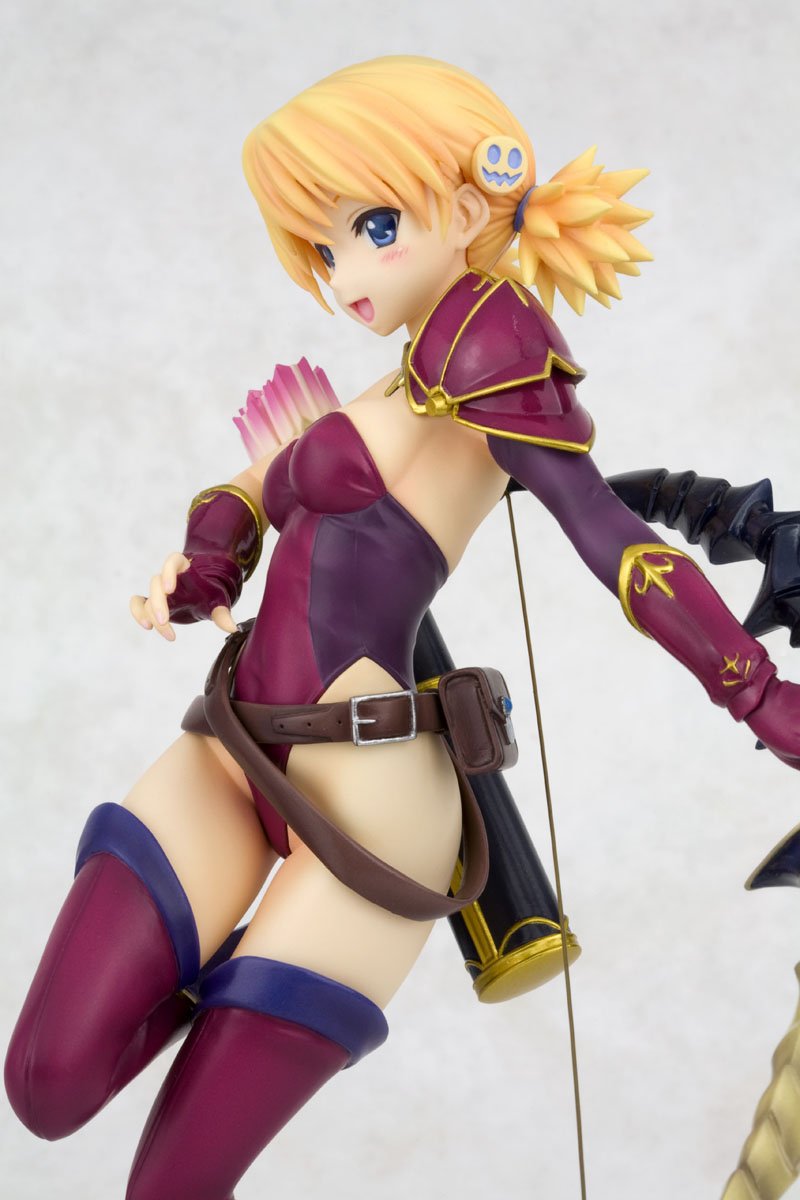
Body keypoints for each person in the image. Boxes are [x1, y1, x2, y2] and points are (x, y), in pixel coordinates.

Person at [6, 55, 800, 1200]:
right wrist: (208, 558)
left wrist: (759, 697)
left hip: (369, 802)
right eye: (321, 248)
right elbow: (249, 487)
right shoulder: (392, 384)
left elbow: (609, 539)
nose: (342, 276)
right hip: (233, 746)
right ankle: (220, 982)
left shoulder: (491, 356)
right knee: (46, 1085)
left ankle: (242, 993)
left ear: (472, 202)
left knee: (168, 1188)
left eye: (373, 228)